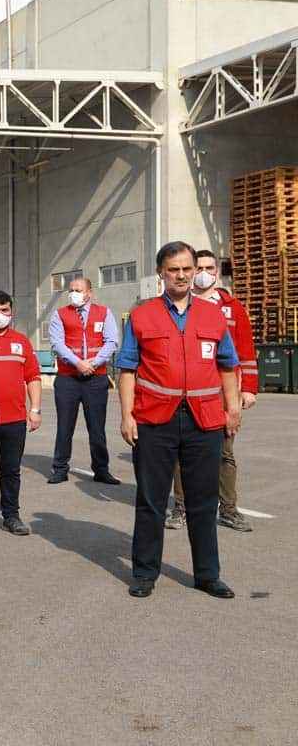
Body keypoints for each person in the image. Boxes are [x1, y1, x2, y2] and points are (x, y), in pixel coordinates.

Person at [117, 241, 240, 599]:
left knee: (204, 501)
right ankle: (144, 573)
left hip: (204, 420)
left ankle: (207, 574)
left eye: (188, 269)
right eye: (174, 270)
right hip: (155, 420)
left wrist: (232, 409)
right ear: (161, 273)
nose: (182, 276)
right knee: (151, 500)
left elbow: (227, 366)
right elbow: (127, 370)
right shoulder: (142, 316)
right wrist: (127, 416)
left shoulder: (213, 315)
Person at [165, 250, 258, 533]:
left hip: (224, 393)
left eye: (209, 268)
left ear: (217, 272)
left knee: (225, 453)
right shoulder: (178, 306)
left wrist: (249, 388)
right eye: (200, 268)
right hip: (188, 393)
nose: (204, 273)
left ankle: (228, 509)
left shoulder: (232, 307)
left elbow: (245, 350)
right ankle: (182, 508)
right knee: (183, 453)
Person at [0, 290, 41, 536]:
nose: (0, 315)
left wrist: (35, 409)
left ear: (12, 312)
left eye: (5, 310)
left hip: (14, 420)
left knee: (11, 471)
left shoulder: (22, 341)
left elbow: (33, 377)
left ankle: (11, 516)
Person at [48, 276, 121, 485]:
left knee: (97, 428)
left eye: (78, 290)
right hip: (68, 378)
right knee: (64, 427)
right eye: (71, 290)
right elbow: (57, 343)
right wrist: (78, 363)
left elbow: (112, 341)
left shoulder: (104, 313)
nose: (73, 293)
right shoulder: (59, 314)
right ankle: (60, 469)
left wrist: (94, 363)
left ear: (89, 293)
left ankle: (101, 470)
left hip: (96, 378)